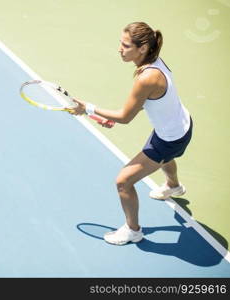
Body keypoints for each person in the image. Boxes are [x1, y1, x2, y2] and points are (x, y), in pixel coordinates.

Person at [69, 22, 193, 245]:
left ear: (143, 48)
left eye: (126, 45)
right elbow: (149, 101)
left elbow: (125, 117)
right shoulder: (155, 61)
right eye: (120, 43)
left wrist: (87, 108)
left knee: (123, 182)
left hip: (169, 137)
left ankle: (133, 231)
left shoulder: (146, 77)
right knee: (165, 157)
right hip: (182, 125)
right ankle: (174, 186)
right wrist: (111, 116)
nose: (120, 49)